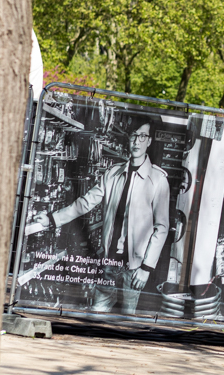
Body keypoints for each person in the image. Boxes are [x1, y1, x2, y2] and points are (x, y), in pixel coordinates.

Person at [29, 117, 170, 314]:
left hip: (134, 265)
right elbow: (85, 203)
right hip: (109, 262)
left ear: (149, 141)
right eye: (133, 136)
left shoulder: (158, 180)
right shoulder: (112, 174)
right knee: (96, 313)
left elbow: (161, 228)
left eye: (142, 136)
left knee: (127, 317)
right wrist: (52, 219)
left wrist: (146, 268)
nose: (137, 141)